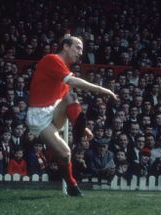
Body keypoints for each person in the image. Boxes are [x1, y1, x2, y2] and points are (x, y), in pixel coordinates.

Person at [25, 35, 118, 196]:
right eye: (78, 47)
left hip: (53, 111)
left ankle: (78, 131)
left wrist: (83, 127)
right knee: (66, 153)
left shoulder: (63, 70)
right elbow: (74, 82)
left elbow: (70, 103)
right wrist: (104, 90)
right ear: (66, 47)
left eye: (81, 49)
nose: (80, 52)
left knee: (70, 96)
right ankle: (72, 185)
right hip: (38, 115)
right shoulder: (52, 59)